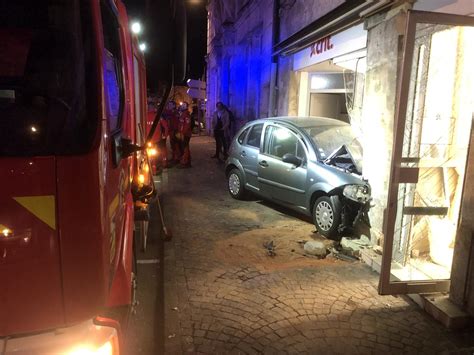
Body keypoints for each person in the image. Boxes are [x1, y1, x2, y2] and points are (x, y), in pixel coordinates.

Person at [164, 101, 181, 165]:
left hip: (175, 131)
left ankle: (177, 158)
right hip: (172, 131)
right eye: (168, 104)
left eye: (170, 105)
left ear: (174, 106)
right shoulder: (170, 112)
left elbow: (176, 122)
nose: (169, 106)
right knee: (173, 145)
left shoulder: (175, 113)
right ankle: (174, 157)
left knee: (176, 145)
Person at [177, 102, 192, 168]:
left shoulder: (186, 114)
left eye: (183, 105)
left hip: (185, 134)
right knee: (184, 147)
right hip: (183, 133)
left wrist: (182, 133)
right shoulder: (183, 114)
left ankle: (185, 162)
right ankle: (185, 161)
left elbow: (187, 125)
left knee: (185, 148)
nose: (182, 106)